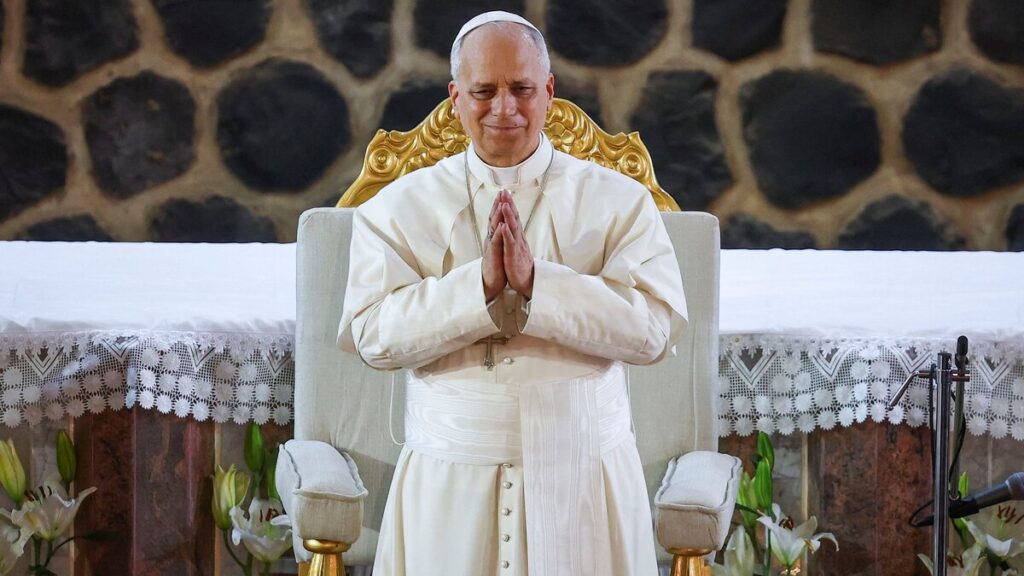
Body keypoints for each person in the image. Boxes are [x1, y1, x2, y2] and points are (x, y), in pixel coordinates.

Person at [338, 11, 687, 576]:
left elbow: (653, 330)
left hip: (584, 473)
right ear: (455, 97)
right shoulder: (395, 210)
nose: (505, 108)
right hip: (451, 478)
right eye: (484, 91)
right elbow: (373, 337)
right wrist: (475, 286)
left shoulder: (619, 203)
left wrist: (537, 284)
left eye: (522, 89)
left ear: (548, 91)